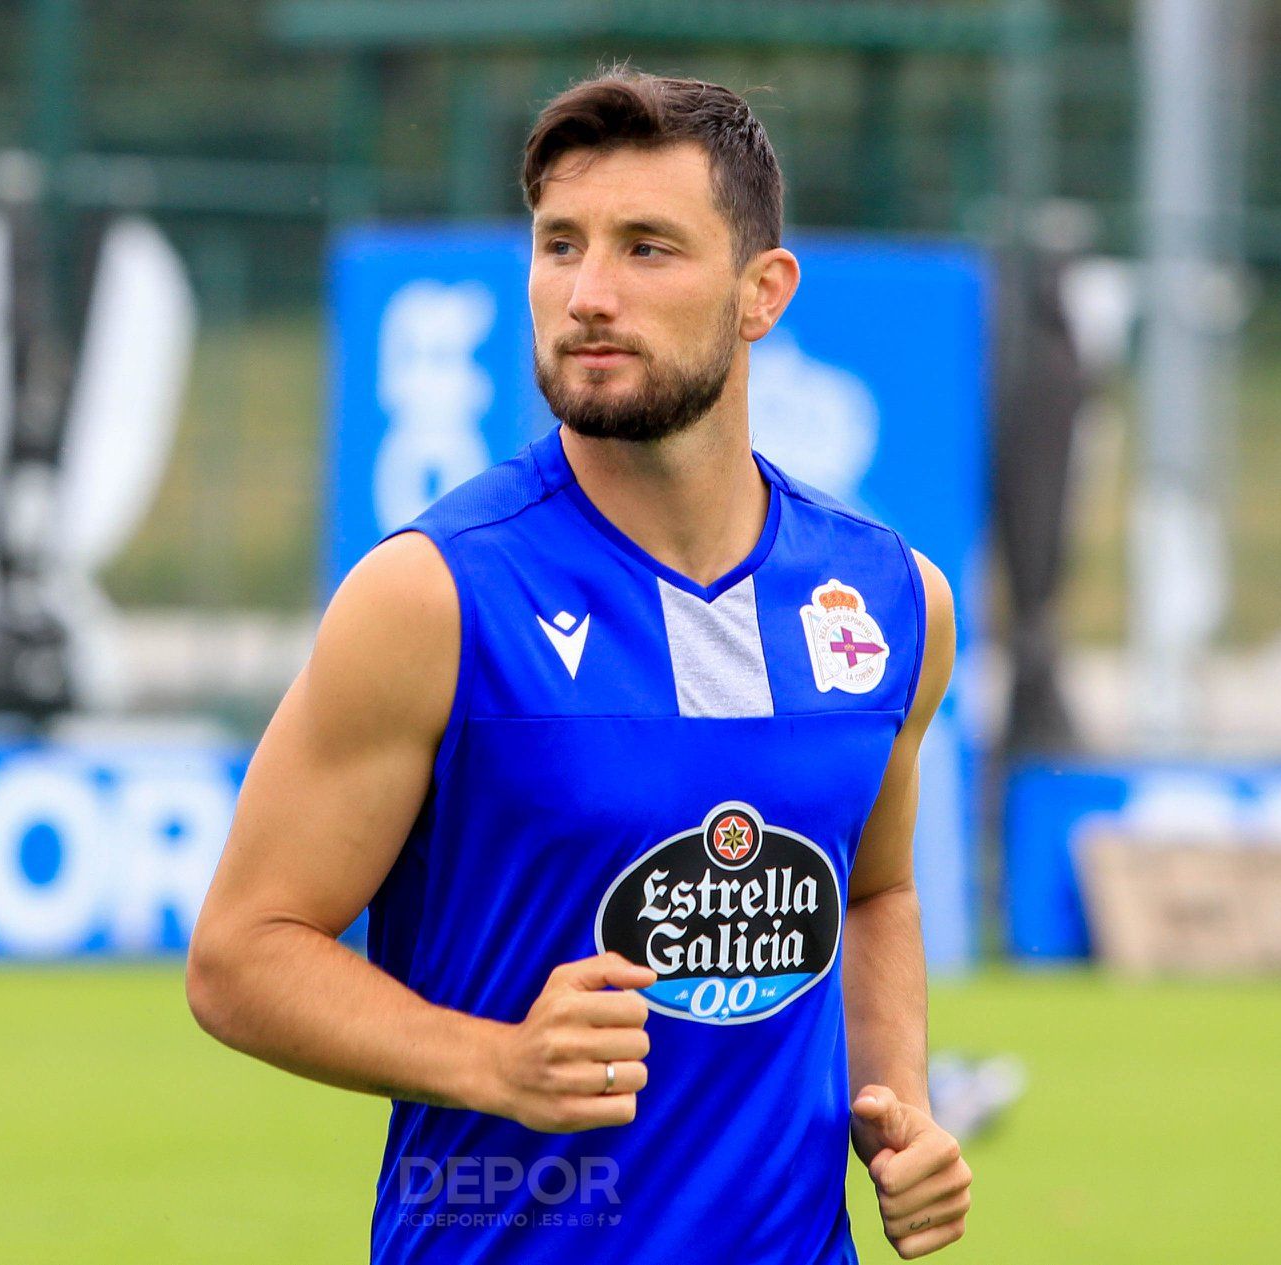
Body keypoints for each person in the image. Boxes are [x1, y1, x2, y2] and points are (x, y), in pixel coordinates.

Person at [187, 67, 970, 1263]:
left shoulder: (888, 599)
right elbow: (241, 955)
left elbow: (872, 894)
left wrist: (898, 1106)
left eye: (646, 248)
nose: (588, 293)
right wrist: (492, 1061)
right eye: (560, 245)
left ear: (761, 292)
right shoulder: (436, 594)